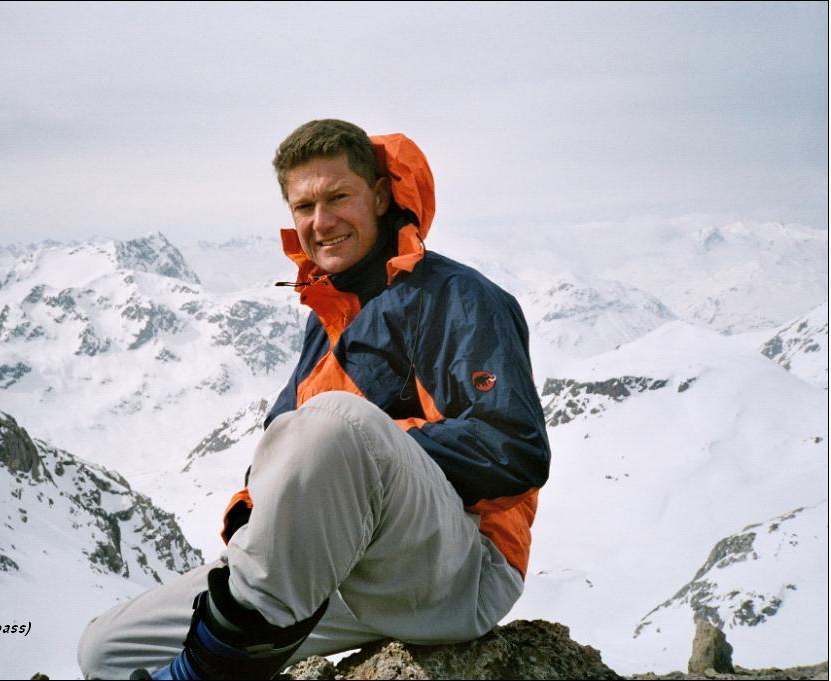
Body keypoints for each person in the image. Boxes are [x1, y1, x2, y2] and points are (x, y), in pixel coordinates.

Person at [77, 119, 551, 680]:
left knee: (335, 421)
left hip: (459, 570)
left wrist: (371, 452)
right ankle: (239, 628)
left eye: (338, 197)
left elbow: (513, 449)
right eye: (304, 206)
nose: (321, 222)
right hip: (342, 571)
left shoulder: (457, 297)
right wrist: (263, 515)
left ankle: (208, 670)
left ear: (379, 196)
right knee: (107, 649)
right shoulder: (327, 317)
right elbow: (282, 453)